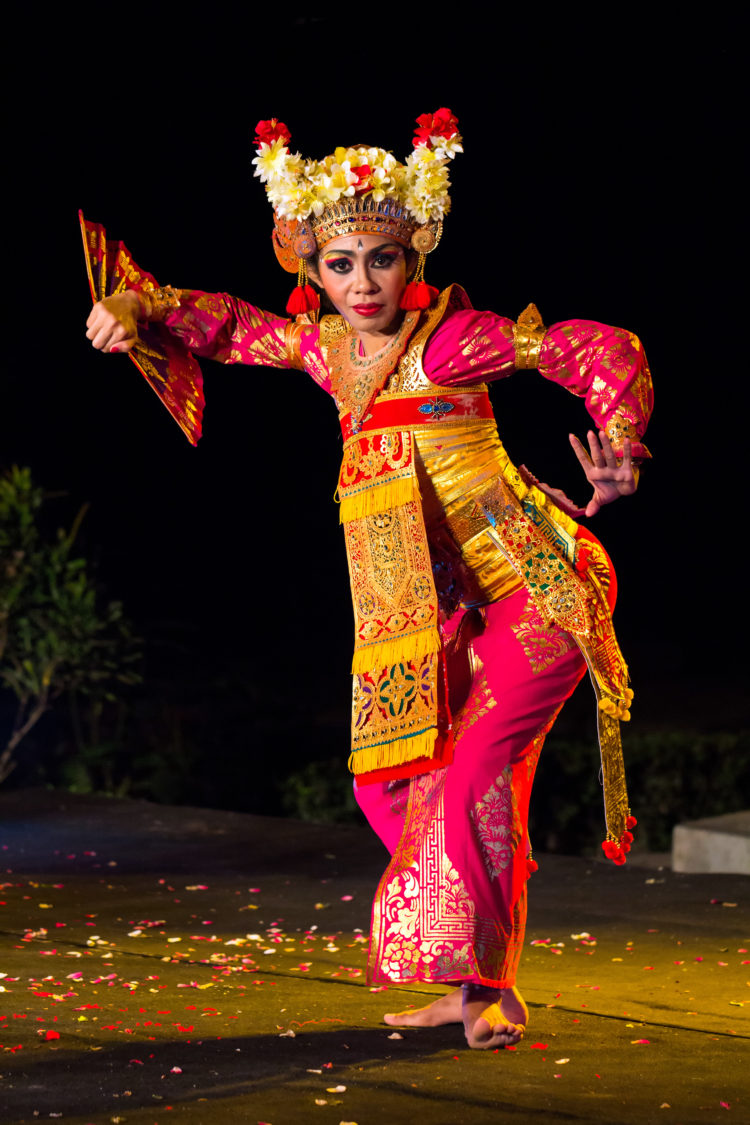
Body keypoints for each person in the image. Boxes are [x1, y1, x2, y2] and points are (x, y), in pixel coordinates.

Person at [84, 109, 652, 1051]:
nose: (360, 284)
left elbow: (603, 350)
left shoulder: (454, 340)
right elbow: (228, 326)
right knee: (389, 786)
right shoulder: (327, 354)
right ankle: (471, 946)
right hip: (440, 614)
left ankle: (489, 987)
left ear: (411, 254)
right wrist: (139, 311)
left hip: (541, 584)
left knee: (475, 769)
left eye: (378, 260)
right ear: (313, 267)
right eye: (340, 263)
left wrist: (621, 446)